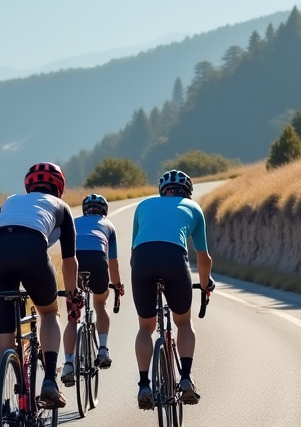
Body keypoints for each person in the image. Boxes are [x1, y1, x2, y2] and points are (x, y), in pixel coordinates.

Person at [0, 161, 81, 409]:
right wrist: (72, 295)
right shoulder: (61, 206)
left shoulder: (10, 200)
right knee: (48, 313)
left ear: (28, 186)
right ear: (59, 188)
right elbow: (69, 262)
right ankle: (49, 381)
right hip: (31, 247)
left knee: (2, 343)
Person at [130, 169, 214, 409]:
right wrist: (205, 283)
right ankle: (185, 378)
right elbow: (204, 257)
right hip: (174, 259)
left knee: (145, 327)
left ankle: (144, 385)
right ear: (187, 192)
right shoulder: (193, 208)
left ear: (162, 191)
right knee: (183, 322)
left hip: (142, 260)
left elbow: (134, 252)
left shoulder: (143, 205)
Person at [61, 193, 124, 385]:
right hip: (97, 260)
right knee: (100, 303)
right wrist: (117, 285)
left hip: (75, 261)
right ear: (104, 211)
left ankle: (68, 363)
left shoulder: (74, 221)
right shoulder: (108, 225)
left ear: (84, 210)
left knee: (73, 316)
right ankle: (103, 349)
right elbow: (113, 263)